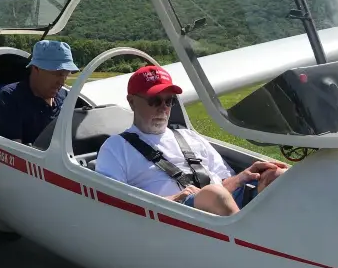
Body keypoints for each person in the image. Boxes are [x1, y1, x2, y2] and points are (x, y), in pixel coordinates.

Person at [94, 65, 289, 215]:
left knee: (277, 175)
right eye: (154, 100)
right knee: (214, 194)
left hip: (219, 204)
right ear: (131, 102)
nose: (163, 108)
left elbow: (222, 184)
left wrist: (243, 176)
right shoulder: (116, 147)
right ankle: (252, 247)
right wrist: (175, 198)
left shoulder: (188, 136)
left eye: (169, 100)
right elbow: (111, 205)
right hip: (172, 217)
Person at [0, 39, 79, 146]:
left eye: (66, 74)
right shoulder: (11, 96)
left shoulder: (66, 97)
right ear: (36, 69)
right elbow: (15, 149)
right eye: (57, 74)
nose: (62, 82)